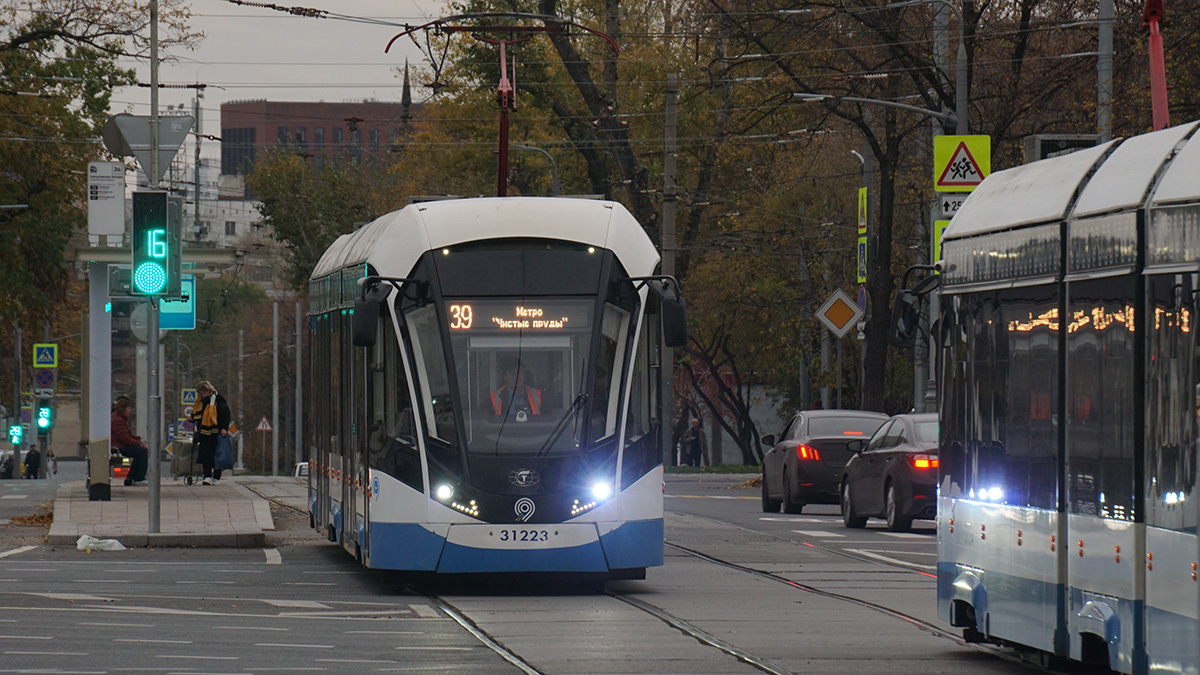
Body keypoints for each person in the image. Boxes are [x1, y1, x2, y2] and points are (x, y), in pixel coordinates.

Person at [191, 380, 231, 485]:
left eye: (202, 393)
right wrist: (192, 419)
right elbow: (197, 415)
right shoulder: (200, 402)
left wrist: (224, 428)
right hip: (204, 432)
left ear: (208, 391)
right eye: (199, 393)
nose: (201, 395)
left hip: (216, 431)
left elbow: (225, 415)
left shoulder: (218, 400)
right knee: (205, 454)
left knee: (217, 454)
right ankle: (207, 476)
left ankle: (216, 477)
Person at [111, 399, 149, 486]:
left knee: (139, 452)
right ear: (122, 409)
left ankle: (131, 478)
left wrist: (138, 439)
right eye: (128, 408)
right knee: (142, 451)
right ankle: (138, 478)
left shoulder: (118, 419)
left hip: (118, 444)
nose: (130, 411)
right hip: (118, 446)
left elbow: (127, 434)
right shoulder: (118, 420)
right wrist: (139, 444)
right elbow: (125, 438)